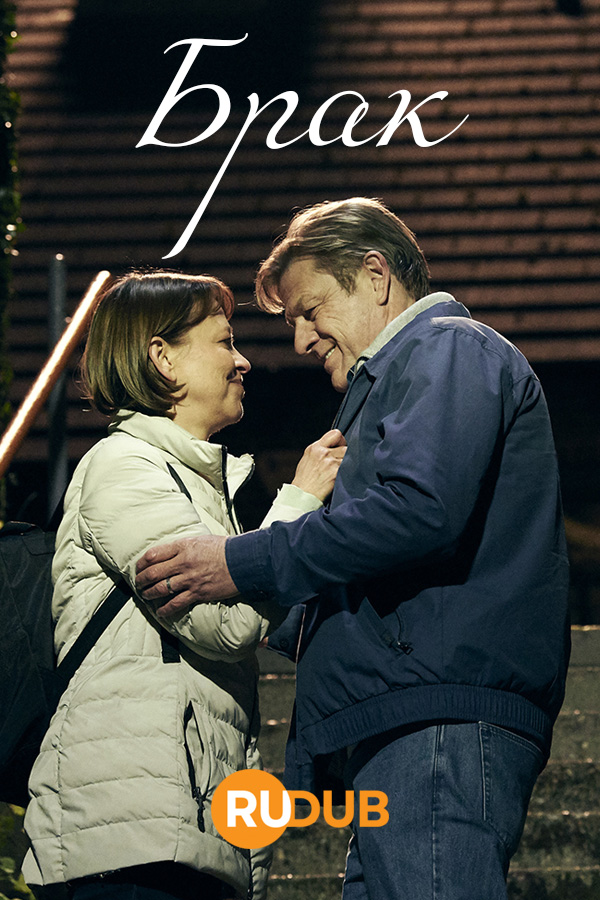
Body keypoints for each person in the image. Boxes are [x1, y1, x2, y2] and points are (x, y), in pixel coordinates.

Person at [135, 200, 571, 900]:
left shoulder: (447, 348)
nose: (301, 340)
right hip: (404, 718)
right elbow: (379, 557)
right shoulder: (401, 378)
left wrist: (241, 563)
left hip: (435, 719)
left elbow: (416, 514)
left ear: (375, 274)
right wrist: (277, 617)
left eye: (310, 311)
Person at [22, 270, 346, 900]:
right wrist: (300, 501)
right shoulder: (125, 468)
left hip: (179, 838)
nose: (243, 361)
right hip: (129, 843)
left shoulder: (190, 481)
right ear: (162, 357)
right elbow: (225, 625)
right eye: (225, 342)